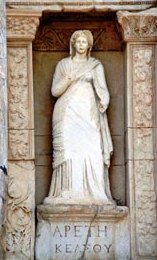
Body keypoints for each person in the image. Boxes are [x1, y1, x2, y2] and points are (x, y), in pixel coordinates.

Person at [44, 30, 114, 206]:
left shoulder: (95, 65)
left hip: (89, 113)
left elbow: (102, 88)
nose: (81, 44)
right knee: (69, 150)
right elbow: (55, 91)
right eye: (79, 41)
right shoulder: (63, 65)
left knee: (92, 149)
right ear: (73, 44)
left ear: (89, 45)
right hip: (67, 113)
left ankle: (95, 192)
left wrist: (104, 100)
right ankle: (66, 192)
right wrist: (68, 79)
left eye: (84, 42)